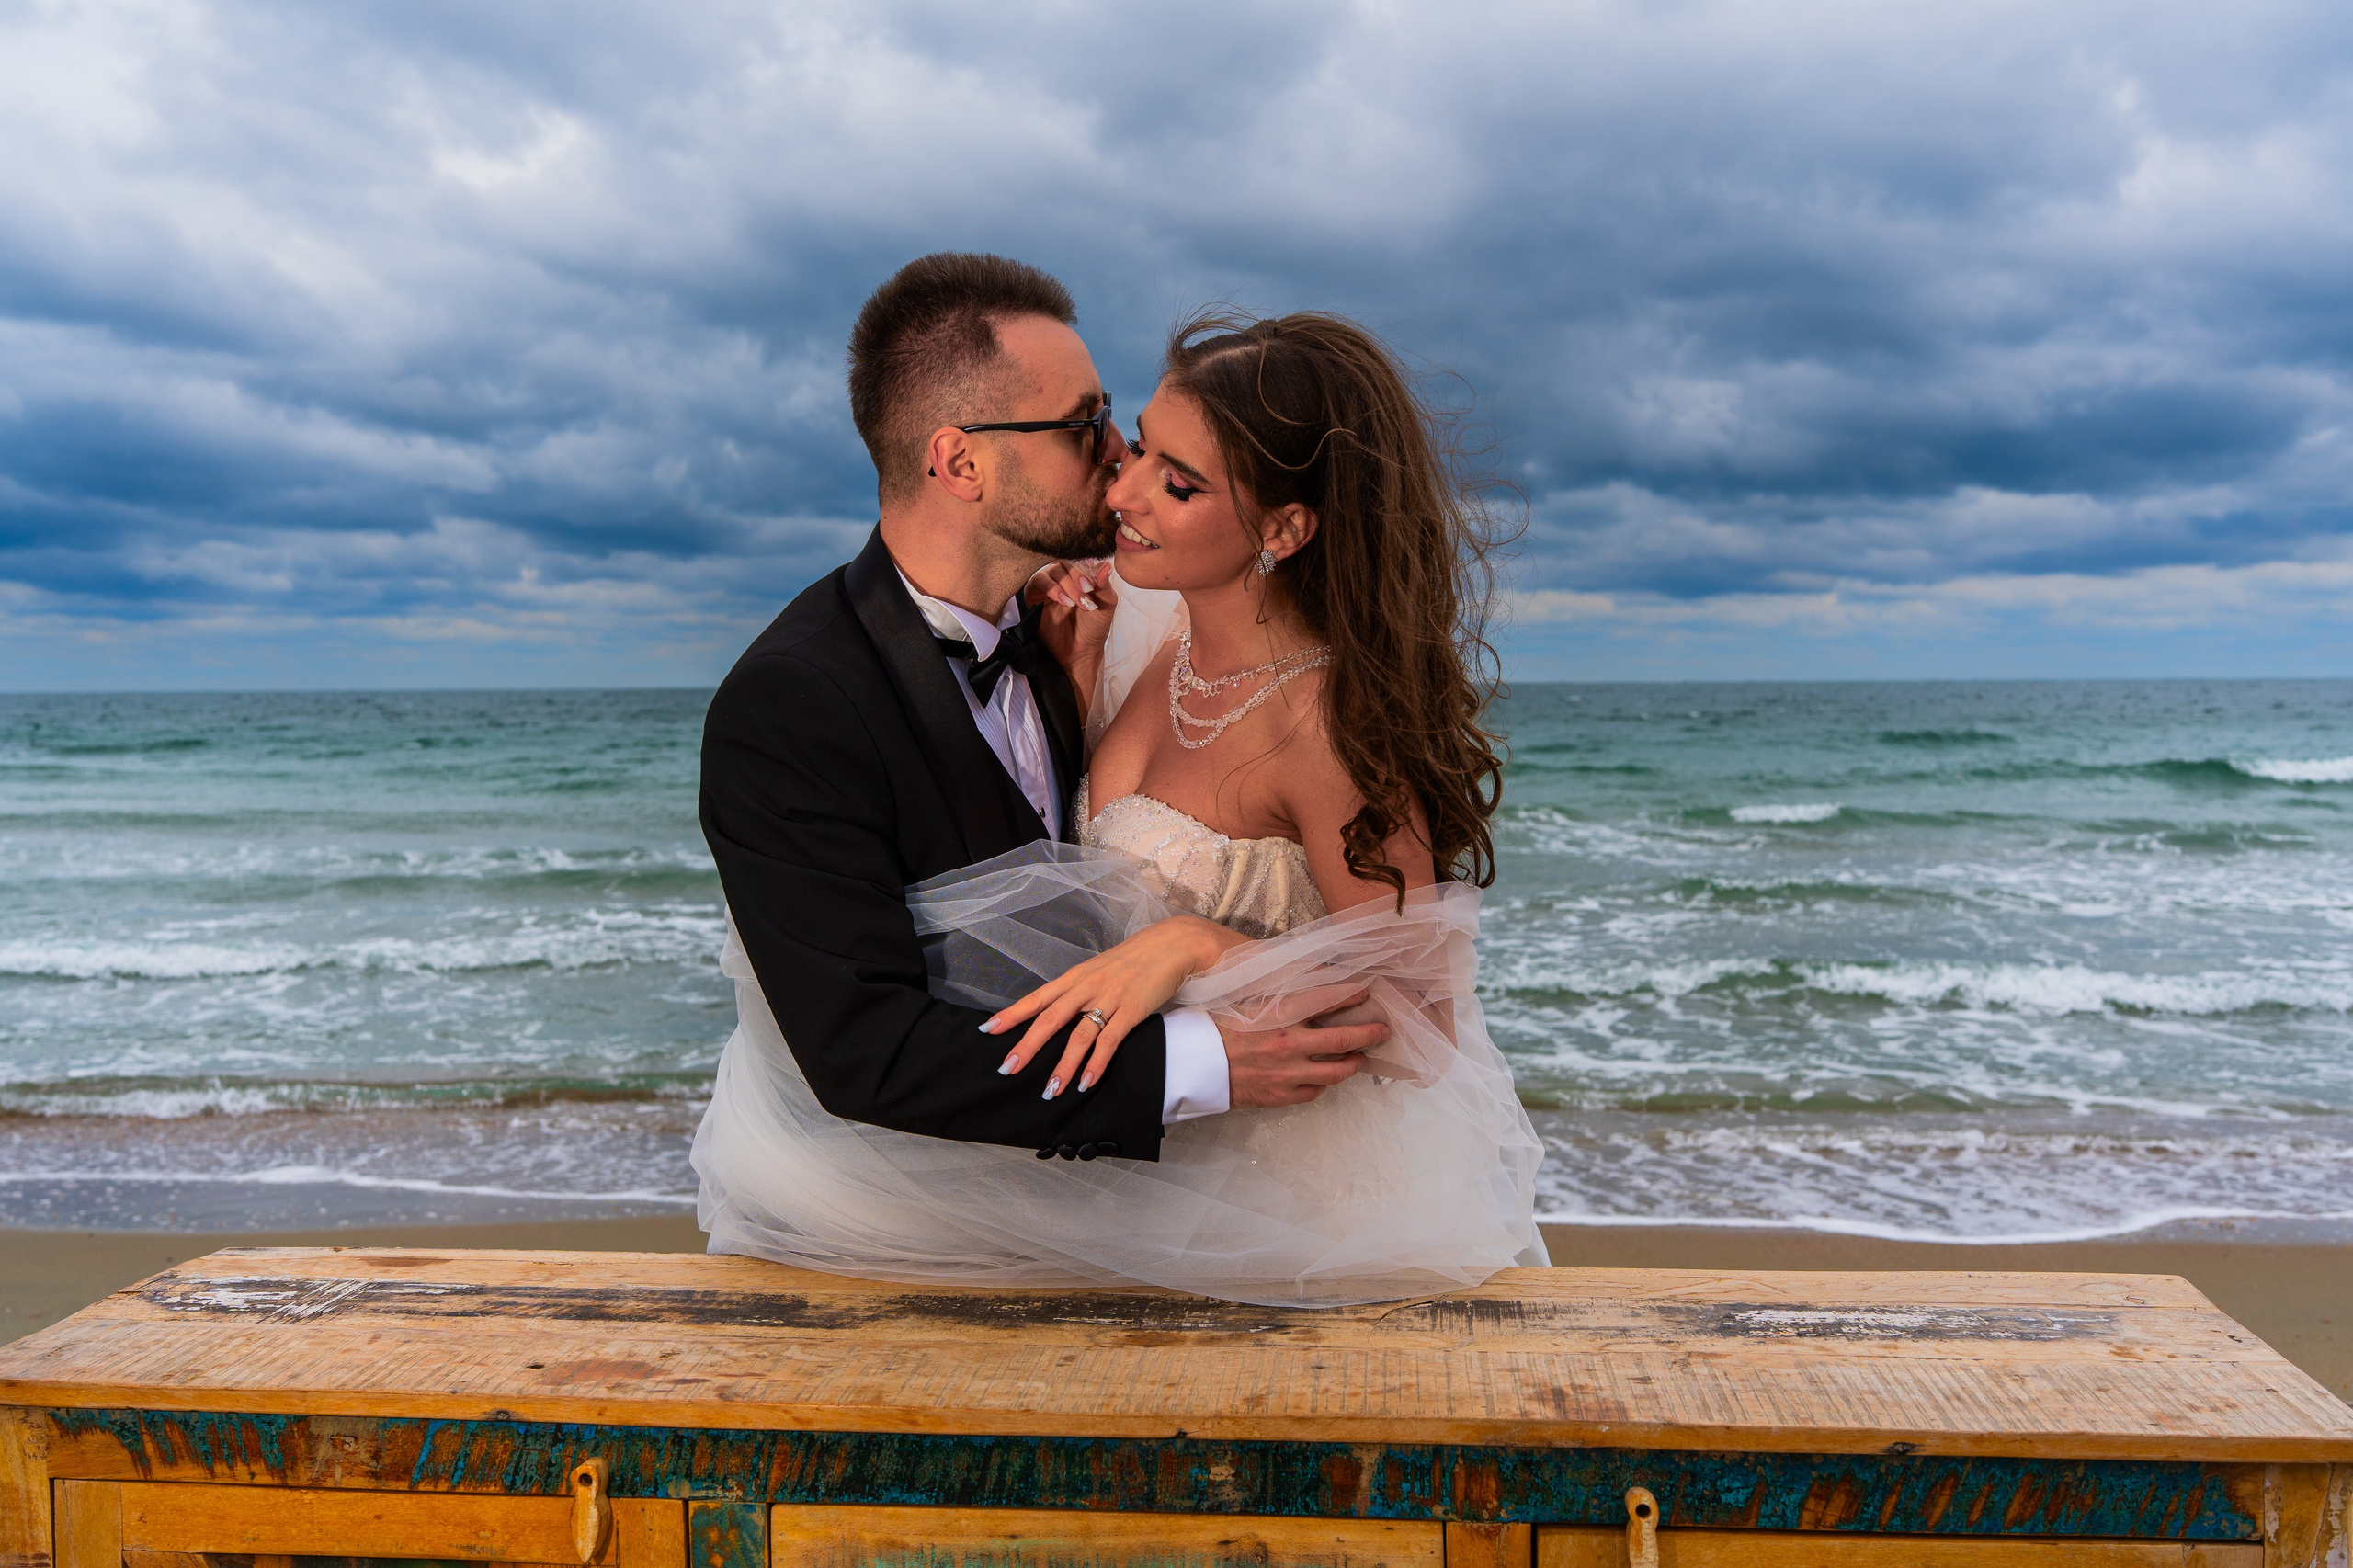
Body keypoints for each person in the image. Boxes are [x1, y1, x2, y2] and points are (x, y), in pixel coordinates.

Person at [693, 256, 1546, 1305]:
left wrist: (1196, 945)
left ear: (1284, 528)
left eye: (1162, 467)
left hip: (1276, 1211)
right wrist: (1186, 1053)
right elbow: (865, 1046)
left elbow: (1419, 1017)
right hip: (998, 1186)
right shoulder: (816, 697)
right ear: (959, 463)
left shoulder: (1138, 641)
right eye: (1100, 428)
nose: (1121, 475)